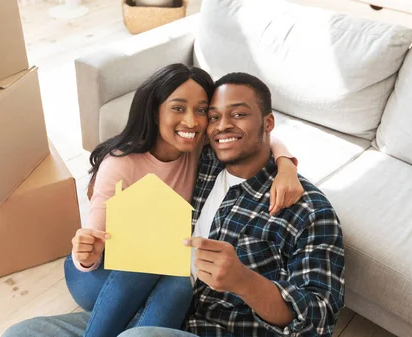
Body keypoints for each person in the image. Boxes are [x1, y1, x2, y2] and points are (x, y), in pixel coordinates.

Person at [50, 65, 303, 337]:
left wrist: (286, 165)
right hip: (99, 271)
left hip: (162, 268)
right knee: (146, 267)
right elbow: (93, 241)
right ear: (156, 111)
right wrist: (86, 254)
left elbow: (259, 135)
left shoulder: (197, 151)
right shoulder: (119, 163)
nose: (192, 122)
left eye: (202, 110)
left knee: (179, 287)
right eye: (178, 108)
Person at [115, 72, 345, 337]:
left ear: (268, 123)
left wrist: (243, 281)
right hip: (162, 310)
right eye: (213, 117)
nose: (222, 126)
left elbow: (319, 319)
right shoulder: (203, 162)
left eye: (238, 114)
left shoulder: (310, 211)